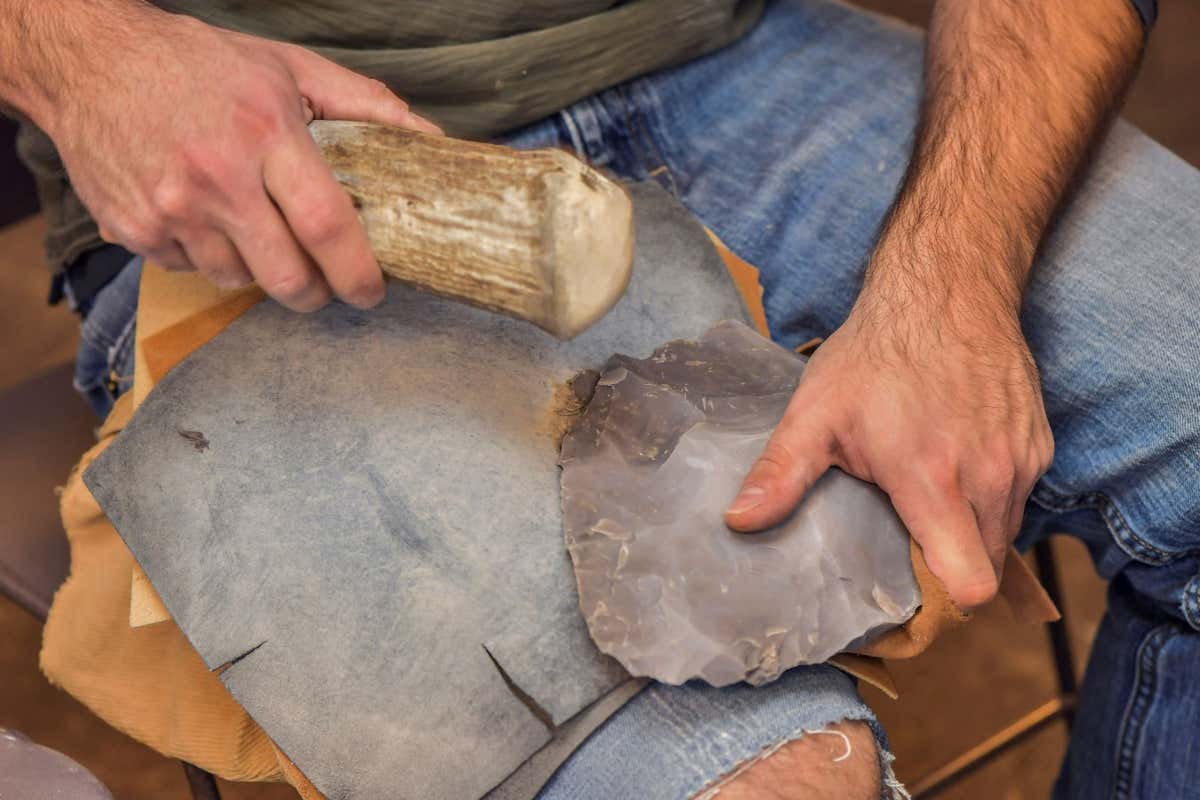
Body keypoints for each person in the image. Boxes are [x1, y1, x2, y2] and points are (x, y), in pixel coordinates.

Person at [2, 0, 1196, 797]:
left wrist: (952, 283)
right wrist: (73, 51)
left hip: (725, 53)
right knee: (777, 779)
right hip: (267, 159)